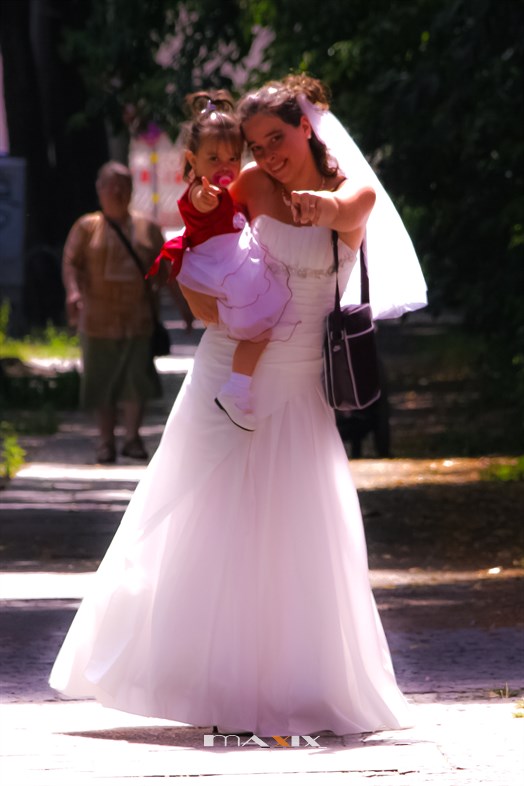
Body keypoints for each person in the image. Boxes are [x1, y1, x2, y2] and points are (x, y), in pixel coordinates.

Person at [50, 76, 427, 736]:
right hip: (232, 366)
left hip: (302, 382)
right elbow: (202, 241)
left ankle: (291, 687)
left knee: (292, 533)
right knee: (199, 513)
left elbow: (341, 214)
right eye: (254, 144)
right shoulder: (249, 186)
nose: (264, 156)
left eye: (275, 140)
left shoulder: (355, 193)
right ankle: (198, 680)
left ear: (306, 127)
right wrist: (208, 295)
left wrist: (316, 206)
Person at [151, 92, 296, 431]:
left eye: (232, 158)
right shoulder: (201, 193)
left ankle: (239, 386)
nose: (224, 166)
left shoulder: (231, 190)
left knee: (260, 327)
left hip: (229, 264)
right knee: (260, 328)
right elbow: (200, 203)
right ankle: (237, 388)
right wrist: (205, 197)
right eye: (212, 158)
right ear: (192, 159)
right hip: (224, 267)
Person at [62, 161, 186, 464]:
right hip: (96, 320)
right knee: (101, 382)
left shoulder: (148, 227)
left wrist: (185, 308)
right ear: (99, 189)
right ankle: (105, 442)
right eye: (110, 184)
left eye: (122, 185)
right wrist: (74, 292)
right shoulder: (86, 226)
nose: (116, 191)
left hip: (137, 319)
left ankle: (132, 438)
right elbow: (70, 264)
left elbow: (167, 269)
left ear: (131, 190)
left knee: (136, 382)